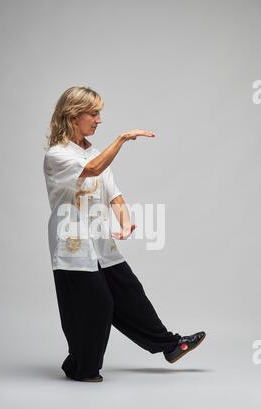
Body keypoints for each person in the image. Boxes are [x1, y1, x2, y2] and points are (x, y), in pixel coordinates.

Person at [43, 85, 206, 383]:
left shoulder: (94, 152)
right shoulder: (57, 155)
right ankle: (81, 367)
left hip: (100, 242)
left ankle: (170, 346)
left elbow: (113, 195)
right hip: (72, 244)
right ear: (72, 115)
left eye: (99, 113)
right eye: (93, 113)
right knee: (97, 304)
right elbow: (92, 170)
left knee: (130, 294)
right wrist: (121, 139)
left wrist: (125, 219)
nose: (99, 120)